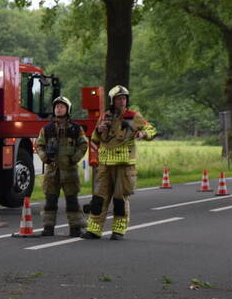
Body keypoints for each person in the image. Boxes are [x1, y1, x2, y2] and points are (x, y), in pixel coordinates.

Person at [83, 85, 156, 240]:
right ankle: (94, 230)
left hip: (124, 165)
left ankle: (118, 230)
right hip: (104, 166)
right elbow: (95, 139)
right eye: (118, 98)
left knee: (119, 199)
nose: (122, 101)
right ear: (112, 101)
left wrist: (143, 133)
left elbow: (152, 130)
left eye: (124, 98)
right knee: (99, 199)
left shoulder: (133, 116)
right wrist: (99, 130)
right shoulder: (105, 116)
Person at [34, 96, 88, 237]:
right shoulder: (47, 129)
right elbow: (39, 145)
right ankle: (48, 227)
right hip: (52, 171)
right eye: (57, 106)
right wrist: (44, 157)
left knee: (72, 201)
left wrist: (74, 159)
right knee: (50, 201)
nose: (59, 109)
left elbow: (83, 145)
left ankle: (76, 228)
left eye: (62, 107)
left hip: (69, 171)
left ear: (68, 109)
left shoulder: (76, 129)